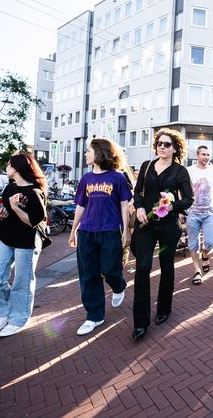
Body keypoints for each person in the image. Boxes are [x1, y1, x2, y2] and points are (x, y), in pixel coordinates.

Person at [131, 128, 194, 341]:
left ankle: (164, 309)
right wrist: (139, 208)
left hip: (169, 227)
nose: (162, 147)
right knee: (142, 268)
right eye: (159, 143)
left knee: (167, 266)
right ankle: (140, 321)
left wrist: (171, 204)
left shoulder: (180, 171)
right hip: (146, 226)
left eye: (167, 144)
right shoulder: (146, 166)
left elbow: (189, 199)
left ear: (175, 148)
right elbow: (137, 192)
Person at [69, 138, 132, 336]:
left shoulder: (118, 177)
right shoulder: (86, 179)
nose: (86, 154)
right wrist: (73, 230)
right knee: (89, 275)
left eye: (88, 151)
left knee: (110, 268)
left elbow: (124, 205)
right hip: (87, 232)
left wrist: (126, 230)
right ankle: (94, 316)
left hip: (110, 230)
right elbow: (80, 205)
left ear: (100, 153)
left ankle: (119, 285)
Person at [0, 152, 47, 337]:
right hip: (7, 238)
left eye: (9, 164)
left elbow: (33, 221)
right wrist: (3, 212)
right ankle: (3, 312)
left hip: (26, 242)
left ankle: (18, 319)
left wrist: (17, 208)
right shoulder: (9, 188)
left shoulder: (35, 193)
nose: (7, 167)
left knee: (22, 283)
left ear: (16, 168)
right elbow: (6, 212)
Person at [186, 145, 213, 285]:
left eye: (208, 154)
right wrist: (183, 211)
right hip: (192, 213)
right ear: (197, 155)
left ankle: (205, 255)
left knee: (209, 242)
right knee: (193, 244)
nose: (206, 157)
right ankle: (197, 271)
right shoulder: (189, 171)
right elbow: (184, 191)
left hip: (208, 214)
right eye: (203, 154)